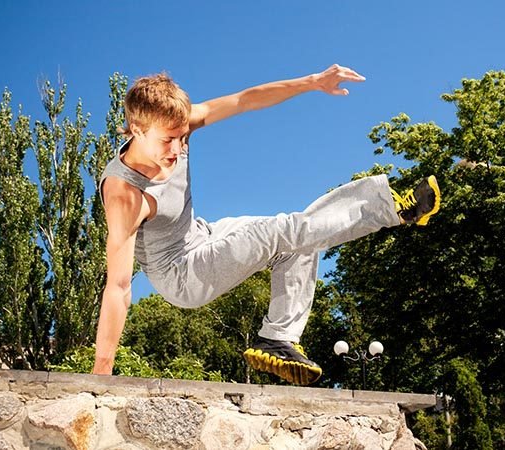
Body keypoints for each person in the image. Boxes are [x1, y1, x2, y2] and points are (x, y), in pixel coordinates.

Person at [92, 64, 441, 385]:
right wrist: (101, 372)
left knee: (298, 233)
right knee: (279, 233)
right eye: (167, 141)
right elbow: (119, 287)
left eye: (182, 138)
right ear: (136, 128)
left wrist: (312, 82)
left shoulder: (176, 122)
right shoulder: (125, 192)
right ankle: (394, 209)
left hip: (205, 235)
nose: (177, 149)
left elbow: (245, 100)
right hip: (181, 275)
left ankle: (279, 338)